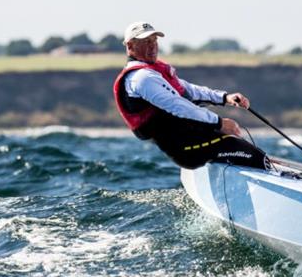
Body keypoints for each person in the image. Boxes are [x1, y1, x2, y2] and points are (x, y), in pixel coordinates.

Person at [113, 21, 269, 170]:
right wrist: (220, 123)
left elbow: (188, 91)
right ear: (130, 45)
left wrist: (224, 97)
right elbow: (179, 106)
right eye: (146, 41)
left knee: (247, 149)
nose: (153, 45)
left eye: (154, 40)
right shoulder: (142, 78)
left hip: (193, 139)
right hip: (186, 150)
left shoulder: (152, 72)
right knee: (255, 156)